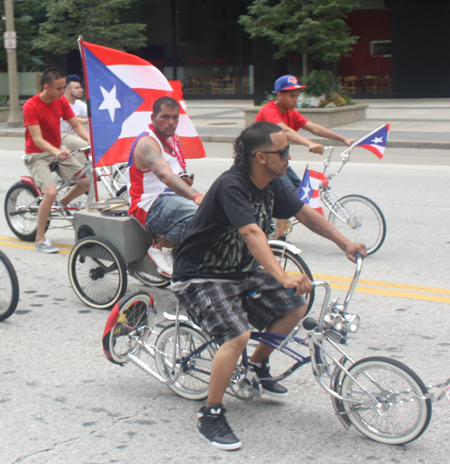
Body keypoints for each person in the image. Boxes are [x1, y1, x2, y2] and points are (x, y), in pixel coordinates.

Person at [171, 122, 367, 451]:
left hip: (238, 270)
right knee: (237, 335)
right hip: (201, 273)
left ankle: (258, 365)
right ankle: (211, 413)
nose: (290, 156)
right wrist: (283, 275)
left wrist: (344, 242)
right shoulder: (232, 185)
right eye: (284, 151)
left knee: (295, 307)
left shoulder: (272, 183)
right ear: (261, 157)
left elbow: (305, 214)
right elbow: (252, 234)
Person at [255, 75, 356, 240]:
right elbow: (285, 131)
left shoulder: (291, 113)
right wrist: (309, 144)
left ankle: (279, 225)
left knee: (300, 192)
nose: (296, 100)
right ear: (279, 95)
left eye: (297, 95)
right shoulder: (269, 111)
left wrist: (343, 139)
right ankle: (280, 239)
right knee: (288, 194)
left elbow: (314, 128)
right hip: (262, 162)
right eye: (291, 95)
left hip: (278, 160)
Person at [126, 96, 204, 277]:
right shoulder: (147, 143)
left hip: (169, 198)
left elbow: (174, 173)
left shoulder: (174, 139)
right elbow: (165, 175)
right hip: (148, 204)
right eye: (165, 117)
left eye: (175, 117)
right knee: (200, 213)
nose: (171, 122)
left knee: (216, 208)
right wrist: (195, 195)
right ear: (153, 118)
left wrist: (185, 182)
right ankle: (160, 249)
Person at [23, 67, 91, 253]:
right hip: (37, 153)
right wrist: (56, 151)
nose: (63, 92)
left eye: (63, 88)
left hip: (56, 150)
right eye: (59, 88)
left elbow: (76, 125)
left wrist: (90, 141)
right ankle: (40, 238)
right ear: (46, 87)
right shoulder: (31, 105)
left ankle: (62, 204)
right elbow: (37, 139)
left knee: (85, 182)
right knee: (50, 192)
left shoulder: (60, 101)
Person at [60, 74, 90, 165]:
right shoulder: (60, 102)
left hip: (74, 135)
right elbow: (68, 119)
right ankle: (78, 174)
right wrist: (86, 121)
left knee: (95, 143)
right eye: (77, 88)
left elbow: (91, 114)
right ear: (68, 90)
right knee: (83, 145)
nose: (80, 90)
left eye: (80, 87)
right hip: (61, 135)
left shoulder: (79, 103)